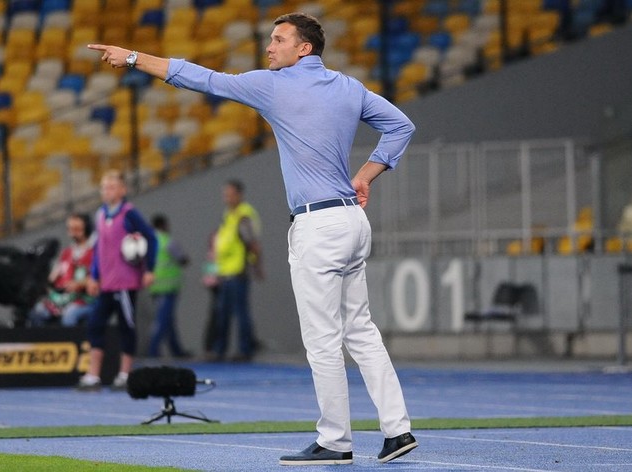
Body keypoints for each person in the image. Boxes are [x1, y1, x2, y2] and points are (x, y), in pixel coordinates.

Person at [88, 11, 417, 464]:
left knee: (323, 340)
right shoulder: (349, 87)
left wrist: (132, 58)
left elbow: (200, 78)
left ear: (304, 48)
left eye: (279, 39)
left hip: (318, 224)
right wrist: (365, 175)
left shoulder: (273, 85)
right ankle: (398, 431)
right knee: (361, 331)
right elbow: (401, 126)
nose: (269, 47)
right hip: (352, 221)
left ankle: (335, 441)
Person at [79, 170, 157, 391]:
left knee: (126, 327)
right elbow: (98, 249)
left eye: (112, 187)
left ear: (123, 190)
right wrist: (94, 276)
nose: (107, 191)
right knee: (95, 325)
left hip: (125, 282)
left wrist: (149, 269)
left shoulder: (129, 213)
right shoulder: (100, 215)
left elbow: (150, 237)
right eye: (104, 187)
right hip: (106, 283)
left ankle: (125, 374)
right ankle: (93, 375)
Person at [207, 179, 263, 363]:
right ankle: (220, 350)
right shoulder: (228, 215)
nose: (226, 198)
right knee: (222, 314)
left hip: (239, 272)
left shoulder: (243, 216)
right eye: (225, 195)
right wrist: (214, 271)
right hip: (225, 273)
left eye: (230, 194)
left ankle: (245, 350)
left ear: (239, 195)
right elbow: (218, 246)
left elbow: (252, 244)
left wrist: (257, 267)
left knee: (241, 313)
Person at [27, 213, 96, 327]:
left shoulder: (94, 253)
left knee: (70, 315)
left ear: (86, 229)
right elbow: (53, 277)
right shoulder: (66, 253)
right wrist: (48, 283)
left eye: (77, 229)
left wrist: (80, 284)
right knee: (37, 311)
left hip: (84, 301)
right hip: (61, 299)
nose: (73, 232)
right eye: (70, 229)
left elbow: (100, 279)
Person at [147, 213, 191, 358]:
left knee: (168, 321)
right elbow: (182, 259)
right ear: (164, 225)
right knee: (162, 320)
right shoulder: (167, 241)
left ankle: (177, 350)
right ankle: (153, 350)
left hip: (155, 286)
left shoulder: (149, 242)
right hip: (168, 286)